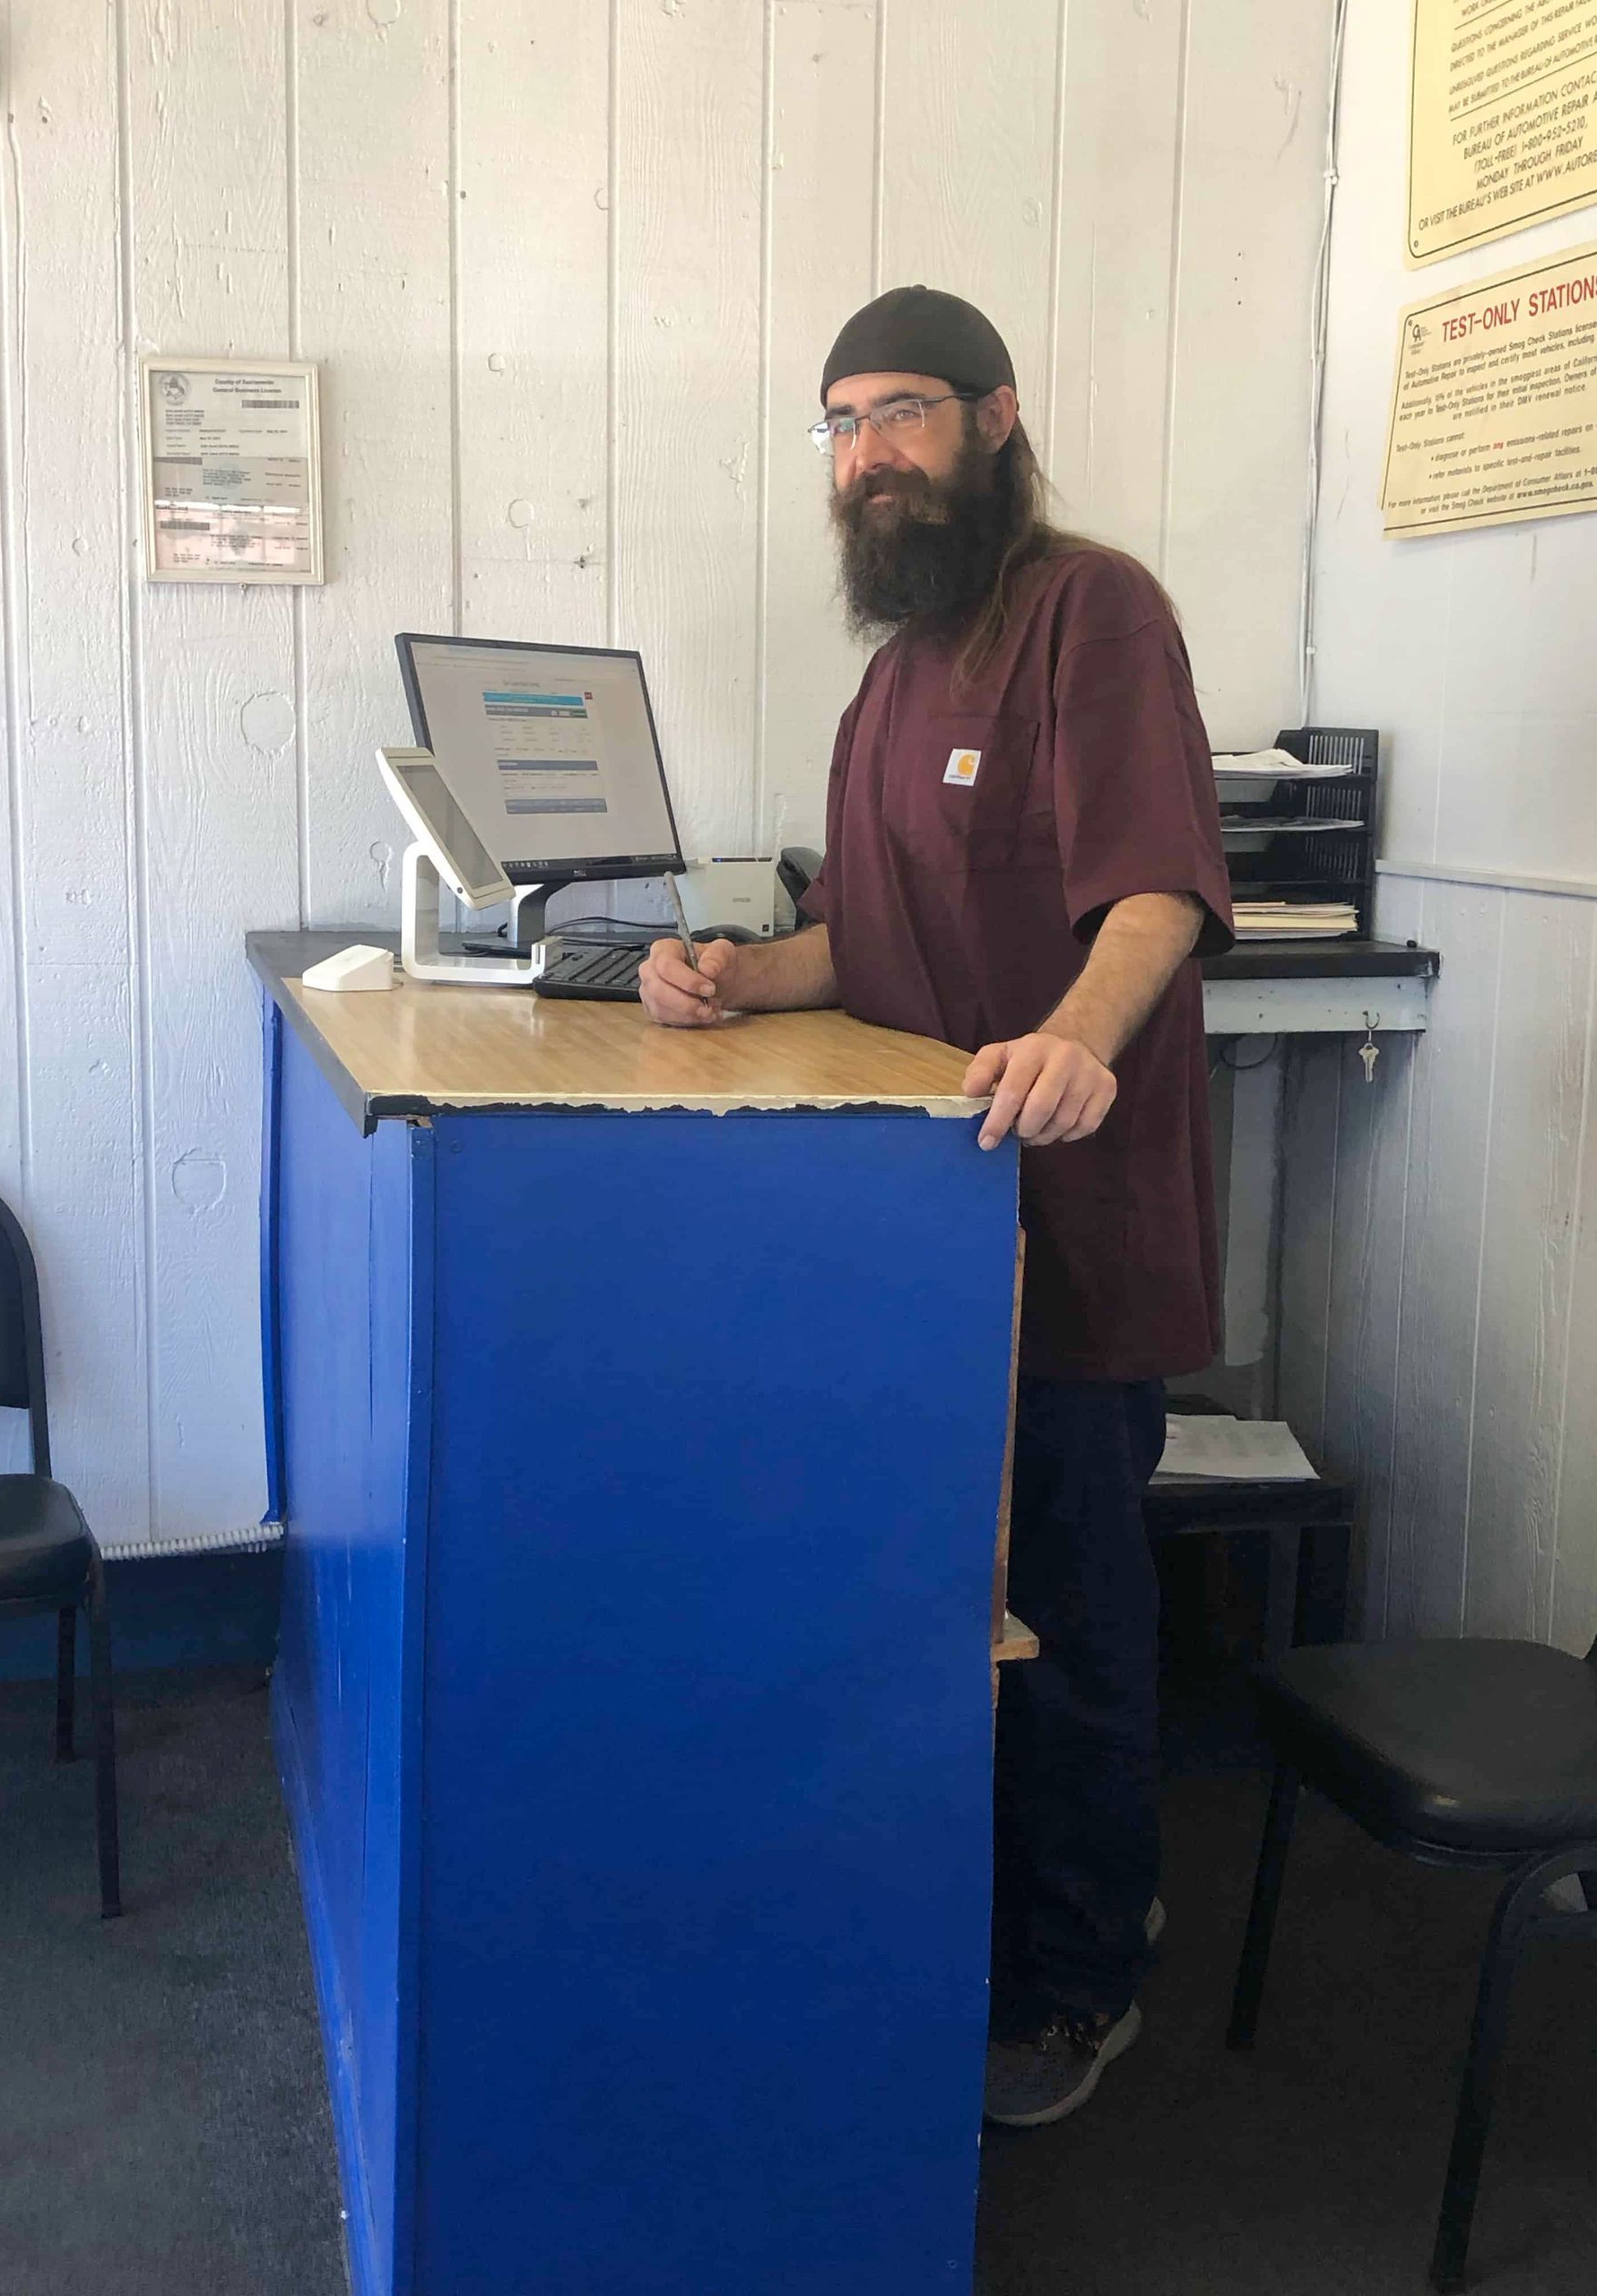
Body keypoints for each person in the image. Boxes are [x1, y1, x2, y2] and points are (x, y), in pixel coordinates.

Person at [638, 284, 1233, 2129]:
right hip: (918, 1246)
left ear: (992, 419)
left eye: (899, 412)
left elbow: (1155, 893)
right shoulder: (891, 676)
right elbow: (877, 941)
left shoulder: (1093, 612)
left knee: (1072, 1605)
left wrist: (1071, 1039)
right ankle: (963, 1923)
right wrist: (743, 974)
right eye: (839, 424)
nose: (867, 454)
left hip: (1068, 1215)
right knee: (950, 1608)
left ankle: (1084, 1974)